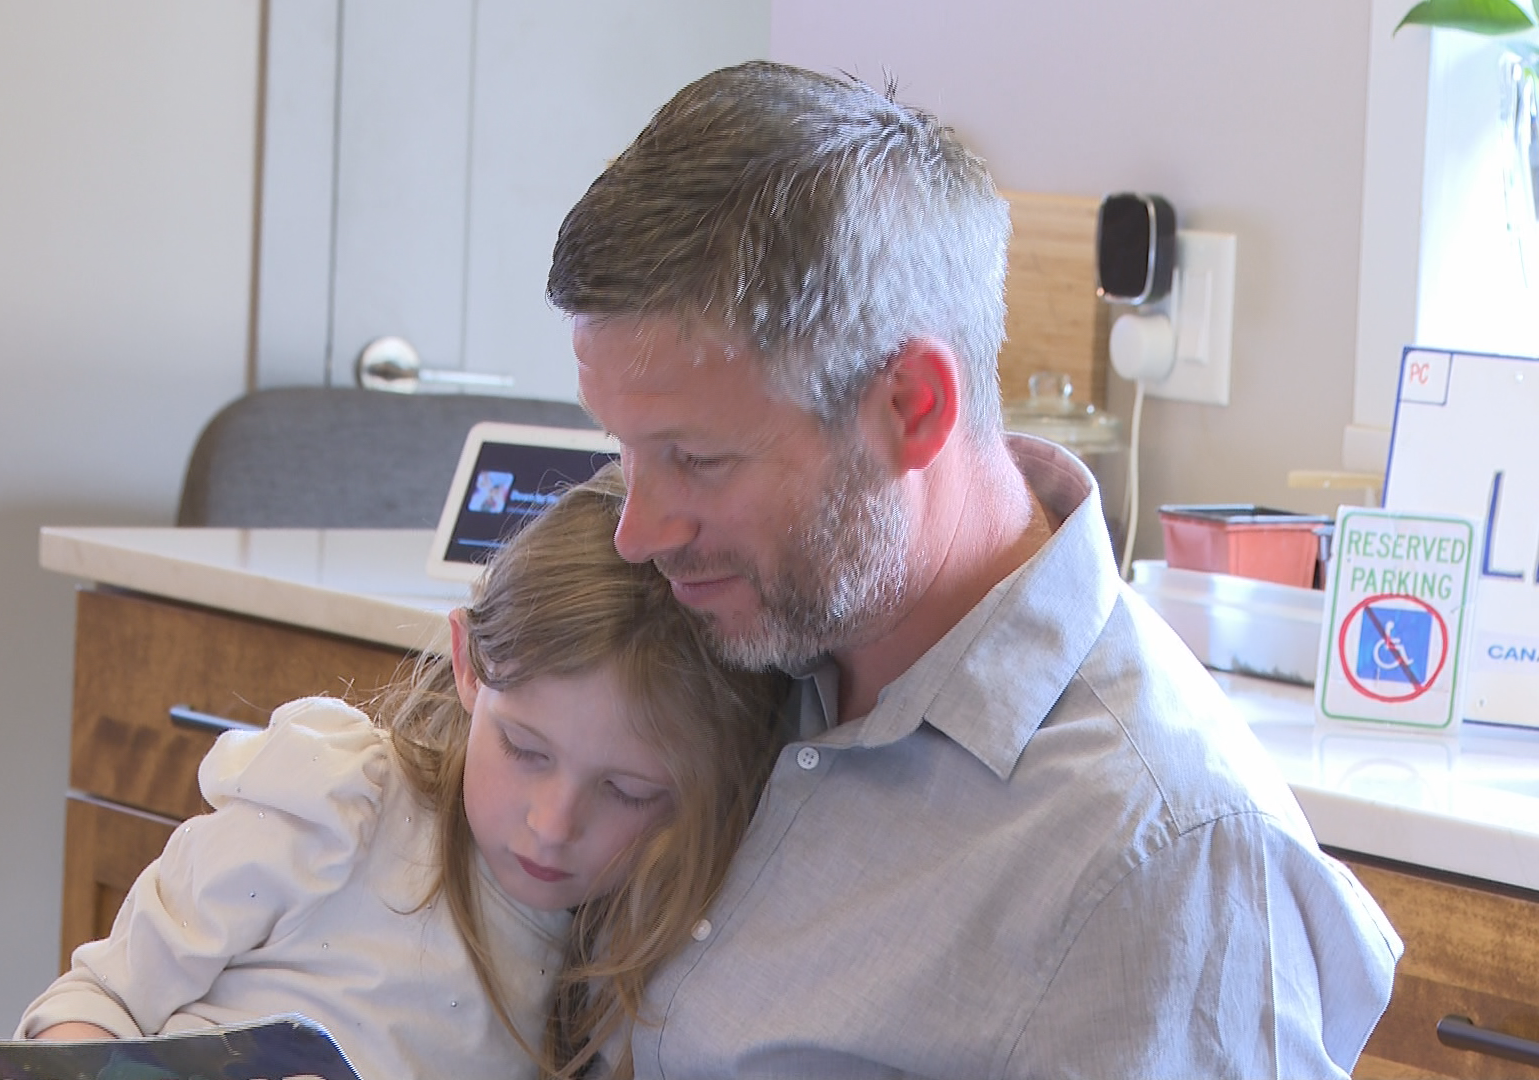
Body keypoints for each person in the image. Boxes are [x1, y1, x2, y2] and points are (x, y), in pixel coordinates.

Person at [547, 60, 1402, 1079]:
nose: (636, 532)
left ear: (912, 408)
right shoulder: (750, 630)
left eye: (697, 460)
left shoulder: (1162, 861)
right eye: (625, 450)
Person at [14, 464, 786, 1080]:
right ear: (468, 665)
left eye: (626, 791)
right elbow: (89, 1006)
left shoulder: (638, 944)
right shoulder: (334, 806)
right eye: (525, 749)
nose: (553, 825)